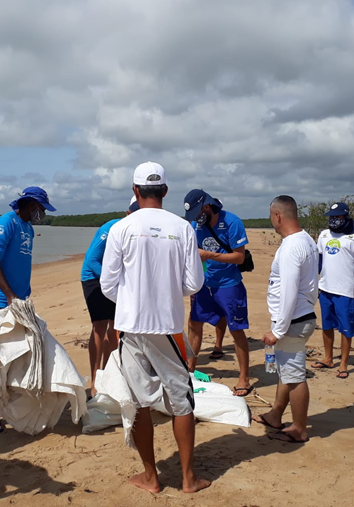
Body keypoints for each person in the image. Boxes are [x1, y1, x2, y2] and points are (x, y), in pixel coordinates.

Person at [100, 161, 210, 494]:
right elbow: (193, 283)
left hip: (131, 328)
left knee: (140, 401)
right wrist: (164, 294)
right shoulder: (183, 228)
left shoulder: (121, 228)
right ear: (164, 191)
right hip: (168, 327)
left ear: (135, 191)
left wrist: (135, 299)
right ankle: (188, 478)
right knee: (182, 401)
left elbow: (108, 284)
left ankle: (152, 476)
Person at [0, 186, 56, 432]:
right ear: (29, 204)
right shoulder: (6, 223)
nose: (42, 213)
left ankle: (11, 403)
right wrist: (9, 296)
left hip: (19, 301)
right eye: (41, 208)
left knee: (20, 354)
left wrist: (23, 296)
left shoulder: (28, 229)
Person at [252, 195, 318, 444]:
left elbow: (289, 289)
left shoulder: (291, 246)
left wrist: (278, 331)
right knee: (285, 370)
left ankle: (299, 428)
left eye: (271, 217)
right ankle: (276, 414)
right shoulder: (307, 241)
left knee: (294, 376)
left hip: (293, 320)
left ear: (278, 216)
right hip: (299, 316)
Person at [183, 189, 252, 396]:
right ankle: (189, 371)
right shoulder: (195, 225)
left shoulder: (232, 222)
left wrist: (209, 255)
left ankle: (244, 378)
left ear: (206, 207)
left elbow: (239, 257)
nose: (195, 219)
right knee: (194, 324)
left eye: (197, 213)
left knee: (236, 329)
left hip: (229, 284)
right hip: (205, 284)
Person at [81, 196, 139, 395]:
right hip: (94, 278)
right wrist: (112, 280)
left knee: (115, 328)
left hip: (114, 280)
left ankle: (109, 374)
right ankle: (95, 381)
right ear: (127, 213)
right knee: (99, 327)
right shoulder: (111, 228)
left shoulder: (138, 232)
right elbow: (91, 260)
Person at [313, 202, 354, 378]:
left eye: (337, 217)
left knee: (346, 328)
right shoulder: (324, 235)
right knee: (327, 325)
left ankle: (344, 363)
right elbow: (319, 262)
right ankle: (328, 358)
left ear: (345, 217)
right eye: (331, 217)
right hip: (325, 289)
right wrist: (313, 283)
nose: (333, 220)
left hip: (345, 291)